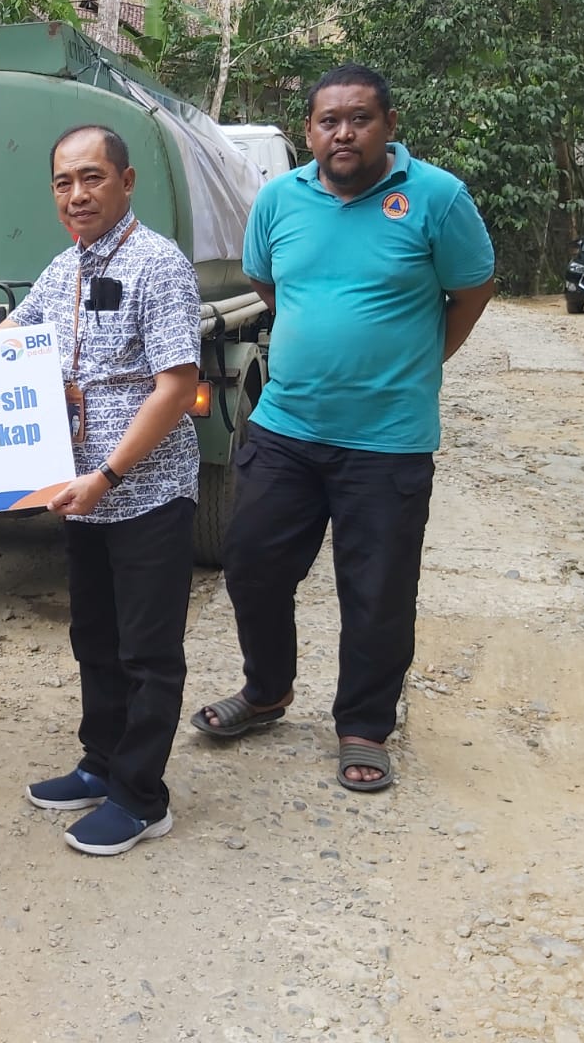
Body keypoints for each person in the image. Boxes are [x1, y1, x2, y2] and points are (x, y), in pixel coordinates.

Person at [0, 124, 201, 857]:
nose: (76, 194)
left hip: (145, 491)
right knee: (94, 636)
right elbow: (2, 345)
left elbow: (175, 386)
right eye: (63, 182)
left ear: (127, 183)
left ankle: (141, 797)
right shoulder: (63, 269)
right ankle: (101, 764)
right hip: (79, 491)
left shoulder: (159, 265)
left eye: (92, 178)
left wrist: (107, 475)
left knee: (147, 651)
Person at [191, 63, 496, 794]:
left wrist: (418, 361)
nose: (344, 132)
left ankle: (363, 725)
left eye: (360, 118)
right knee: (253, 563)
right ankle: (266, 692)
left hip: (387, 439)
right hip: (287, 425)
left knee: (377, 590)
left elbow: (473, 289)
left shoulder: (437, 198)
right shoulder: (278, 201)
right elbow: (270, 286)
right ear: (310, 132)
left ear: (389, 123)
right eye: (329, 121)